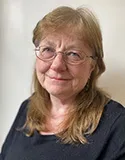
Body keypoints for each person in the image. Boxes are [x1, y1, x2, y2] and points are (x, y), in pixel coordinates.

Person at [0, 6, 125, 160]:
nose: (57, 65)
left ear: (92, 66)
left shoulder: (117, 124)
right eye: (48, 49)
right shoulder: (28, 108)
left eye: (73, 54)